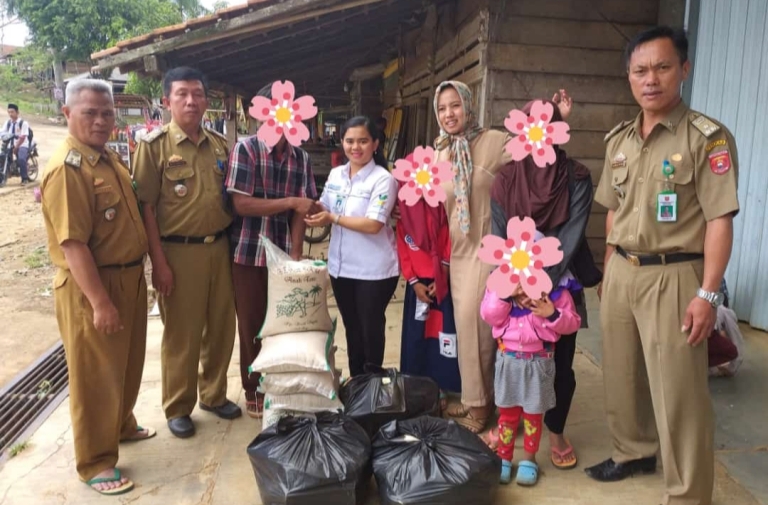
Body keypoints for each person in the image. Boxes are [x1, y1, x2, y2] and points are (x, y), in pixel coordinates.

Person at [586, 26, 739, 505]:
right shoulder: (621, 139)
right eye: (640, 70)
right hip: (624, 271)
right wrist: (609, 266)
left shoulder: (706, 138)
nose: (650, 79)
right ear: (629, 76)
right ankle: (633, 451)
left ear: (684, 70)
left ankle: (689, 493)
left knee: (679, 394)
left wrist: (708, 294)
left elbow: (719, 220)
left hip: (676, 275)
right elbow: (614, 208)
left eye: (662, 67)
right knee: (622, 375)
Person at [40, 79, 153, 495]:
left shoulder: (106, 159)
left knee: (126, 364)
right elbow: (73, 245)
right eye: (90, 112)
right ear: (67, 114)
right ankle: (95, 461)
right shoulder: (68, 169)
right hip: (94, 285)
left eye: (107, 112)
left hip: (127, 277)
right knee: (95, 376)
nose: (102, 120)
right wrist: (101, 303)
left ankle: (120, 424)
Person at [490, 94, 601, 469]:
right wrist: (512, 284)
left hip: (558, 283)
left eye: (545, 130)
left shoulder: (577, 178)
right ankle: (512, 422)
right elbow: (499, 234)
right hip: (514, 281)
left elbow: (570, 237)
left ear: (555, 134)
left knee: (560, 364)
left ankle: (555, 428)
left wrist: (537, 285)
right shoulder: (504, 181)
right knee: (513, 356)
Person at [133, 67, 241, 439]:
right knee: (182, 334)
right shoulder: (153, 147)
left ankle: (213, 394)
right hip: (178, 252)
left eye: (197, 94)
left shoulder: (220, 145)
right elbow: (145, 208)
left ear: (206, 101)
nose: (191, 101)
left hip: (220, 247)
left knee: (222, 328)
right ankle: (179, 406)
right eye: (182, 94)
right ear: (167, 101)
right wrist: (157, 263)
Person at [225, 82, 318, 418]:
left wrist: (295, 255)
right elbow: (241, 204)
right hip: (248, 254)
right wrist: (291, 201)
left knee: (284, 323)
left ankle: (281, 382)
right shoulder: (245, 150)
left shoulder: (301, 157)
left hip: (282, 254)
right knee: (251, 325)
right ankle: (254, 388)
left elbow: (301, 210)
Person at [433, 80, 512, 433]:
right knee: (468, 330)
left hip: (489, 248)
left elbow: (533, 153)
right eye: (442, 108)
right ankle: (480, 399)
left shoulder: (494, 141)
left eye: (455, 106)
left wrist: (555, 115)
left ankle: (480, 408)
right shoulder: (441, 152)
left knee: (475, 325)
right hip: (459, 253)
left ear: (468, 105)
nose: (449, 114)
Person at [305, 116, 399, 377]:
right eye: (349, 141)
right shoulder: (337, 174)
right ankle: (358, 383)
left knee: (370, 329)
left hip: (373, 271)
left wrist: (332, 218)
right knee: (351, 328)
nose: (355, 147)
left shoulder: (383, 180)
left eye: (363, 141)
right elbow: (326, 203)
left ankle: (374, 387)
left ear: (375, 144)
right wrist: (311, 208)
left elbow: (374, 224)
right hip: (340, 267)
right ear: (342, 142)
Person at [480, 266, 581, 485]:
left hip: (539, 363)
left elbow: (573, 322)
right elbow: (488, 314)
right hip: (509, 361)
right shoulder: (499, 287)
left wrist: (552, 313)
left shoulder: (556, 292)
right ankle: (504, 458)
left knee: (533, 415)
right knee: (507, 416)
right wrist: (507, 295)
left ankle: (529, 460)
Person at [396, 178, 460, 405]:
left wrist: (442, 275)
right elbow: (403, 252)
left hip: (441, 285)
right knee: (417, 337)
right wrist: (414, 282)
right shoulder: (403, 221)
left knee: (442, 337)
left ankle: (442, 386)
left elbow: (448, 243)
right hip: (418, 289)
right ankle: (416, 385)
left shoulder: (443, 215)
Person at [2, 103, 31, 184]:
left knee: (21, 159)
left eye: (12, 112)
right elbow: (2, 132)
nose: (10, 114)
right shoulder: (8, 123)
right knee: (3, 157)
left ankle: (24, 178)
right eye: (9, 112)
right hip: (10, 144)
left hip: (22, 144)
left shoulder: (23, 123)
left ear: (17, 112)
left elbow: (23, 137)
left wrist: (16, 147)